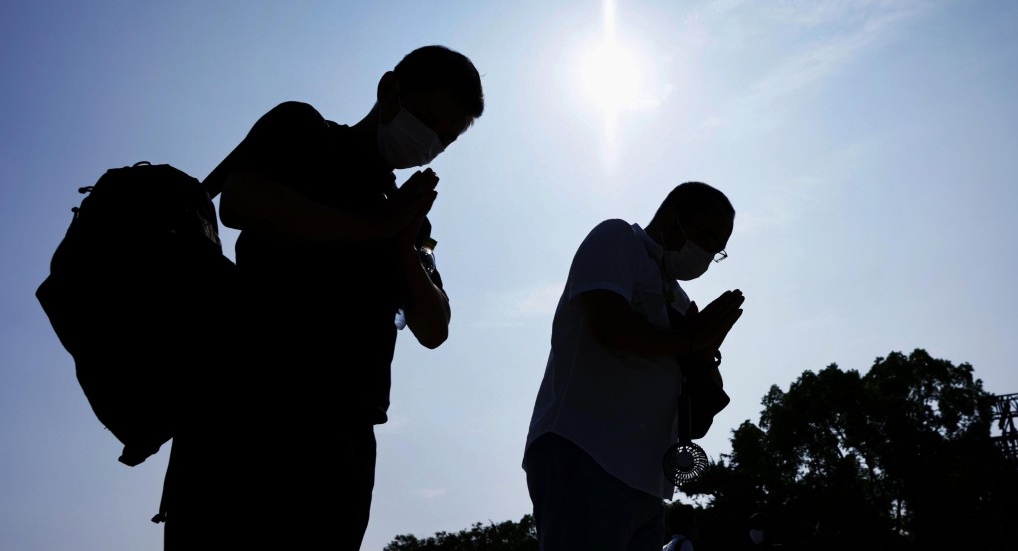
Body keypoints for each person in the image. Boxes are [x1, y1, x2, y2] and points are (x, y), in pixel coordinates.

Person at [160, 45, 484, 550]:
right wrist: (374, 226)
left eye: (446, 138)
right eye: (427, 120)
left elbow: (434, 326)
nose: (431, 142)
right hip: (246, 415)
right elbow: (240, 201)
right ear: (389, 91)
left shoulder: (407, 214)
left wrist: (399, 238)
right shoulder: (304, 131)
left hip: (343, 441)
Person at [522, 182, 745, 551]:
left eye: (716, 248)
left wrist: (705, 356)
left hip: (647, 484)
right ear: (672, 217)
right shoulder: (617, 239)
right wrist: (690, 341)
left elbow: (699, 419)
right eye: (704, 237)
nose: (707, 252)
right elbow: (608, 326)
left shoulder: (681, 300)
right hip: (588, 454)